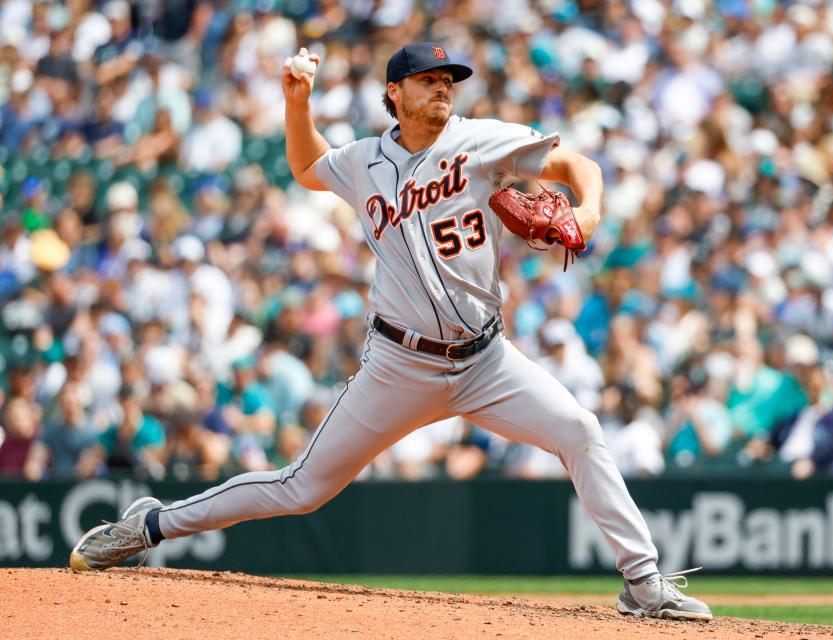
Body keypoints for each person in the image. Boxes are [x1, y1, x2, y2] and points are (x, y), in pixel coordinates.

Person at [69, 42, 711, 621]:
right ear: (394, 93)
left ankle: (643, 582)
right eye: (427, 79)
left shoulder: (481, 140)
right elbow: (306, 165)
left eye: (448, 80)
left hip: (486, 361)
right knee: (302, 490)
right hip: (399, 365)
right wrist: (298, 104)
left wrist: (591, 210)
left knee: (580, 431)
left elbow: (575, 162)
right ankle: (151, 526)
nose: (441, 89)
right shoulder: (364, 162)